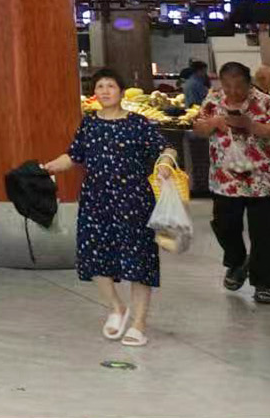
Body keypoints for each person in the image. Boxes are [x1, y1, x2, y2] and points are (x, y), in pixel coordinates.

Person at [43, 68, 177, 347]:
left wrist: (165, 163)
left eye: (110, 86)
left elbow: (167, 148)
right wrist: (50, 167)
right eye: (100, 86)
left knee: (139, 262)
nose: (105, 91)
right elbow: (74, 155)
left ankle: (139, 324)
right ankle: (116, 307)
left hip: (134, 201)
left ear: (121, 91)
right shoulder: (89, 124)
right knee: (94, 256)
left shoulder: (138, 123)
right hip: (96, 201)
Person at [192, 60, 270, 305]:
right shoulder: (213, 100)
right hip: (225, 180)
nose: (233, 92)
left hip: (262, 180)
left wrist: (252, 125)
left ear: (249, 83)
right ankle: (236, 262)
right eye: (228, 86)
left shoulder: (265, 102)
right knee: (224, 224)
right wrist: (213, 123)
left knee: (264, 233)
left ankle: (263, 285)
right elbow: (198, 128)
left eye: (239, 86)